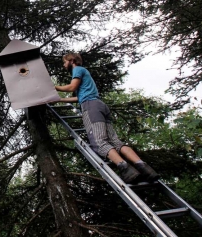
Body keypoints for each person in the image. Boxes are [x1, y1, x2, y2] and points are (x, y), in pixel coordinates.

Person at [54, 53, 159, 184]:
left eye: (64, 62)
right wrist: (60, 99)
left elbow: (72, 87)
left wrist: (54, 87)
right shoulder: (85, 75)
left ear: (71, 60)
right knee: (115, 142)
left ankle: (125, 168)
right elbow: (78, 97)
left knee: (99, 142)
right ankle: (144, 168)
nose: (64, 65)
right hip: (100, 105)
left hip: (91, 107)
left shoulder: (77, 69)